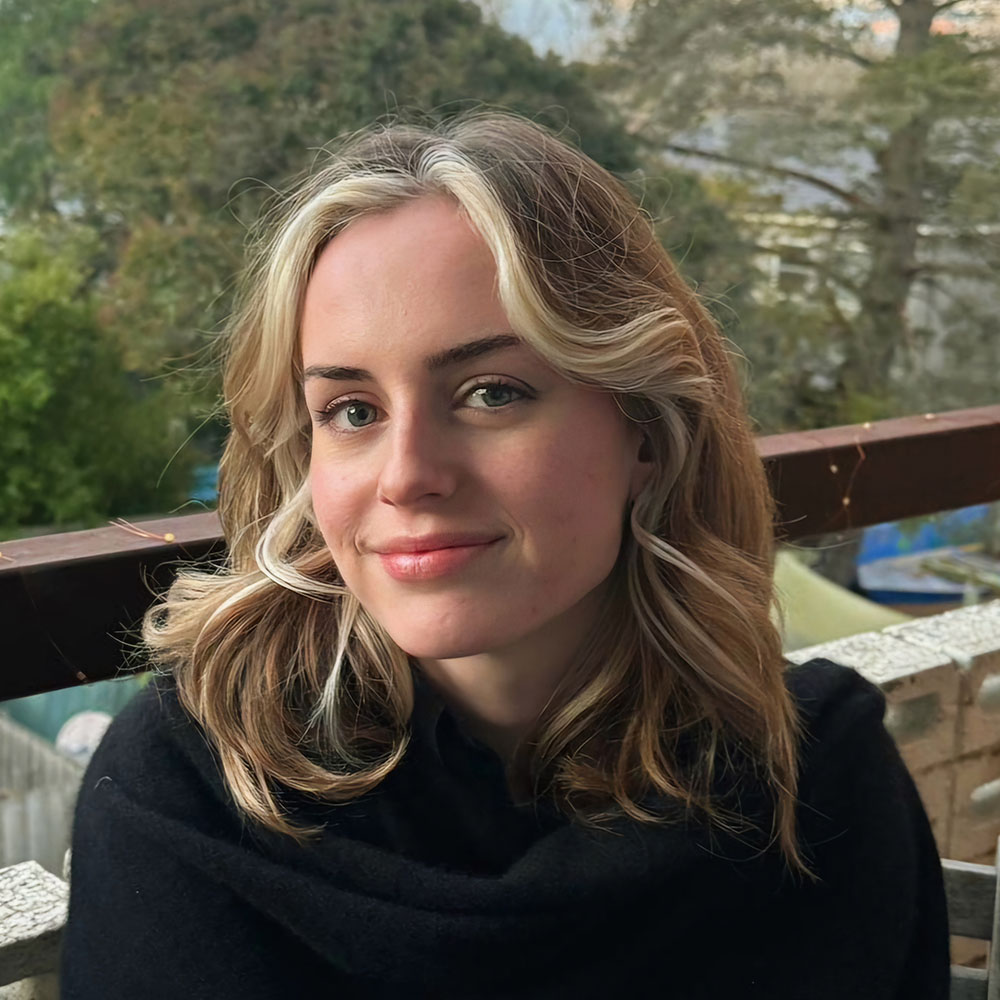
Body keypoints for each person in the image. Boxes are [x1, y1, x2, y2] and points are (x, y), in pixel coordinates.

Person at [59, 110, 950, 999]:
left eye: (491, 392)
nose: (407, 476)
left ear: (645, 430)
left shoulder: (814, 787)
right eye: (352, 411)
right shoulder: (189, 796)